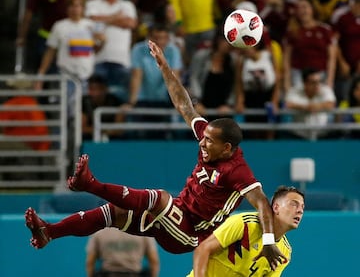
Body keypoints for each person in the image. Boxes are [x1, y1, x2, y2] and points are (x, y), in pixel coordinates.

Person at [24, 40, 284, 271]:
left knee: (159, 198)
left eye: (209, 142)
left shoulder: (237, 170)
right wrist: (164, 68)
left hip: (191, 234)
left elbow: (261, 202)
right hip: (177, 215)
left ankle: (90, 185)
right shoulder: (210, 136)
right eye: (203, 138)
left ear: (227, 148)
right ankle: (51, 232)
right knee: (115, 213)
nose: (202, 143)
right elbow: (185, 105)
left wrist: (270, 242)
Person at [188, 186, 305, 277]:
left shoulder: (284, 253)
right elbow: (203, 249)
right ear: (276, 207)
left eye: (302, 207)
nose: (300, 210)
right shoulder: (245, 224)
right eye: (294, 204)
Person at [84, 0, 138, 102]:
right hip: (97, 60)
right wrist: (117, 16)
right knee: (95, 99)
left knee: (121, 98)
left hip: (122, 61)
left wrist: (102, 20)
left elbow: (130, 23)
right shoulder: (93, 4)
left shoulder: (127, 5)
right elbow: (90, 20)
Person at [15, 0, 67, 73]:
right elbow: (28, 14)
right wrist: (21, 37)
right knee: (45, 69)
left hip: (66, 38)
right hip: (46, 38)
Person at [284, 67, 336, 140]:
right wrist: (305, 107)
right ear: (305, 83)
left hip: (321, 135)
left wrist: (316, 106)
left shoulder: (325, 89)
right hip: (299, 136)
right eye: (313, 82)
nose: (317, 85)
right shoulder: (295, 90)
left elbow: (331, 104)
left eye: (319, 81)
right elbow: (287, 104)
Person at [86, 227, 160, 277]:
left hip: (108, 273)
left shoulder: (99, 231)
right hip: (134, 273)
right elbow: (154, 261)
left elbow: (90, 262)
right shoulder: (143, 230)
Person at [82, 74, 125, 141]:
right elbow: (83, 128)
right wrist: (104, 131)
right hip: (89, 139)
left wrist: (103, 132)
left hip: (113, 139)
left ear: (105, 89)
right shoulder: (84, 101)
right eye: (91, 89)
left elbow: (119, 129)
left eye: (97, 89)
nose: (94, 93)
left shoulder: (116, 101)